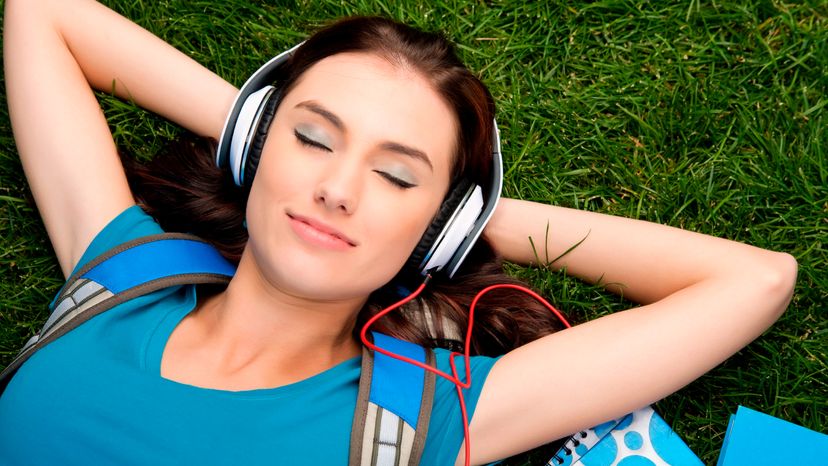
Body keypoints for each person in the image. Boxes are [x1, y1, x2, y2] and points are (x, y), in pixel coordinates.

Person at [0, 0, 797, 465]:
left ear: (439, 226)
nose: (338, 189)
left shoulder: (417, 417)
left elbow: (755, 280)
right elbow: (43, 13)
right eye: (313, 139)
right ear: (255, 142)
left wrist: (473, 218)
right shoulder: (119, 277)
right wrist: (254, 124)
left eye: (398, 177)